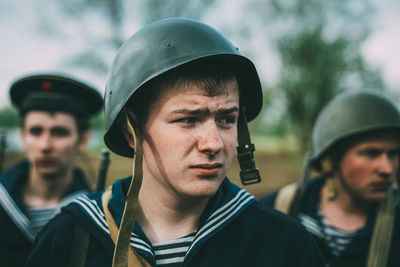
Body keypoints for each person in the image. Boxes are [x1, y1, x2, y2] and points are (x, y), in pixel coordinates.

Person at [26, 18, 323, 267]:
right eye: (188, 120)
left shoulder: (282, 244)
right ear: (132, 133)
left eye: (226, 119)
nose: (213, 143)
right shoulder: (73, 237)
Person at [259, 90, 400, 267]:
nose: (387, 169)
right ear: (331, 159)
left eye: (393, 154)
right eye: (371, 153)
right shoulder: (276, 208)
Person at [0, 73, 103, 266]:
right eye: (35, 131)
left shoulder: (97, 218)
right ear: (23, 137)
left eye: (59, 132)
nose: (45, 145)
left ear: (82, 140)